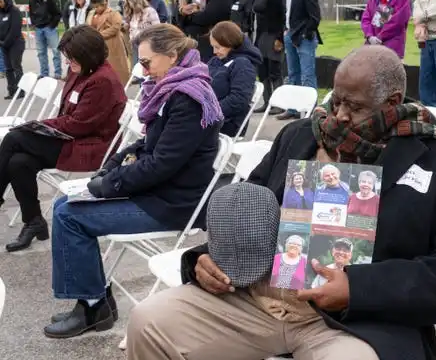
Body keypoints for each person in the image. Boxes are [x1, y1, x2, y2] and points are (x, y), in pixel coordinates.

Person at [125, 45, 436, 360]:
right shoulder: (300, 135)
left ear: (392, 103)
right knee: (149, 321)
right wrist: (207, 257)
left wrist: (357, 289)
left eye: (356, 106)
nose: (340, 115)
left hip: (354, 321)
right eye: (337, 99)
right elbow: (251, 207)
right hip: (257, 297)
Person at [44, 23, 223, 339]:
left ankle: (93, 306)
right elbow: (146, 144)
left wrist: (106, 185)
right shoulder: (175, 87)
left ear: (171, 56)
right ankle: (94, 301)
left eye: (146, 62)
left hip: (173, 203)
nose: (142, 70)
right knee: (64, 204)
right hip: (159, 192)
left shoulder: (188, 98)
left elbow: (159, 164)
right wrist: (110, 168)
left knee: (70, 216)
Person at [2, 25, 127, 252]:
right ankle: (34, 222)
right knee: (18, 162)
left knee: (14, 138)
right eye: (68, 59)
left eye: (73, 59)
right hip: (70, 137)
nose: (69, 64)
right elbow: (68, 118)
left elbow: (78, 125)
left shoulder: (103, 80)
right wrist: (43, 127)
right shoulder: (81, 70)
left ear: (89, 55)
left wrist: (40, 126)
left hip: (91, 146)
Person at [273, 0, 323, 120]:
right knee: (293, 73)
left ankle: (310, 111)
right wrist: (285, 32)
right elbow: (285, 13)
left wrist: (304, 34)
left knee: (307, 74)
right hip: (289, 35)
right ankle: (293, 108)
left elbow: (315, 16)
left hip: (304, 38)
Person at [208, 21, 260, 137]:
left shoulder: (243, 65)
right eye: (213, 47)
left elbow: (239, 99)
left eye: (218, 47)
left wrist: (210, 111)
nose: (214, 52)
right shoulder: (216, 60)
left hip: (227, 121)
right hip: (210, 114)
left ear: (230, 43)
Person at [252, 0, 286, 115]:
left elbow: (282, 16)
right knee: (263, 69)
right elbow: (256, 7)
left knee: (275, 69)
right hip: (262, 34)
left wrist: (280, 38)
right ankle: (267, 102)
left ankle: (279, 103)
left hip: (274, 34)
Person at [88, 0, 132, 86]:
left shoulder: (113, 13)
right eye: (94, 7)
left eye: (97, 7)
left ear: (103, 4)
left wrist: (99, 34)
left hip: (112, 45)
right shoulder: (92, 14)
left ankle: (119, 87)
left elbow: (116, 27)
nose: (96, 9)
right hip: (97, 46)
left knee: (115, 69)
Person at [28, 0, 63, 79]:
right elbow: (31, 13)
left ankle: (58, 73)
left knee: (55, 50)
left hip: (49, 28)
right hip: (38, 28)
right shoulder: (31, 0)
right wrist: (34, 23)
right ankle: (44, 73)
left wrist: (52, 25)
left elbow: (57, 14)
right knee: (41, 52)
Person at [123, 0, 160, 65]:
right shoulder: (132, 15)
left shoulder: (150, 11)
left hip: (148, 45)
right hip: (135, 46)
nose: (130, 5)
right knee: (136, 69)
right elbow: (133, 30)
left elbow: (157, 29)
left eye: (130, 3)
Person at [0, 0, 25, 99]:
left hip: (16, 43)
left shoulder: (15, 11)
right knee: (8, 68)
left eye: (0, 1)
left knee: (16, 67)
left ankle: (20, 91)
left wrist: (5, 42)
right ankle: (11, 91)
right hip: (4, 45)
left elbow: (15, 30)